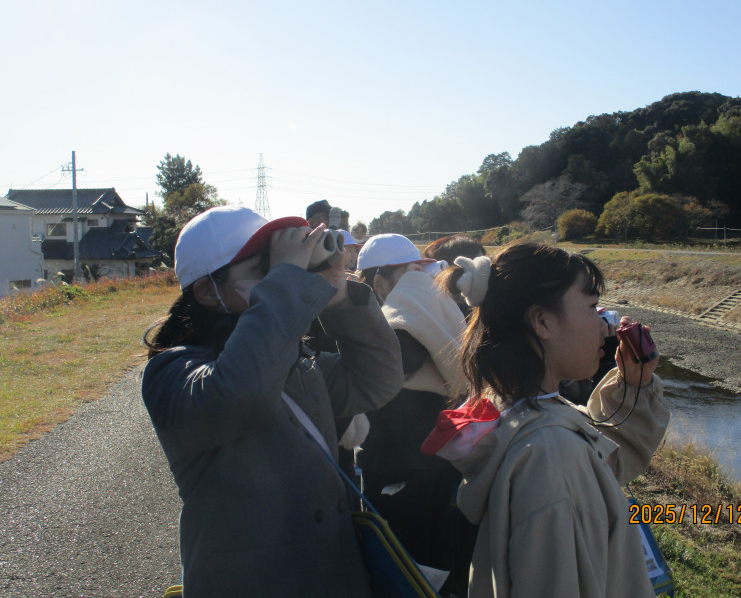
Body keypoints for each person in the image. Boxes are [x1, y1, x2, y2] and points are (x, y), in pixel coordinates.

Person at [141, 205, 404, 597]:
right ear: (206, 291)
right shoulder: (171, 372)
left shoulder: (295, 361)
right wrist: (287, 285)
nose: (279, 280)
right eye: (262, 270)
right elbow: (239, 395)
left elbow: (379, 379)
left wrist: (340, 298)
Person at [422, 241, 670, 598]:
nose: (604, 327)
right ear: (542, 321)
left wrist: (635, 386)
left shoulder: (515, 409)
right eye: (590, 307)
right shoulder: (549, 457)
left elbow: (601, 456)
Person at [355, 233, 477, 597]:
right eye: (408, 275)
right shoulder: (438, 325)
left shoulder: (397, 334)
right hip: (444, 480)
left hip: (402, 488)